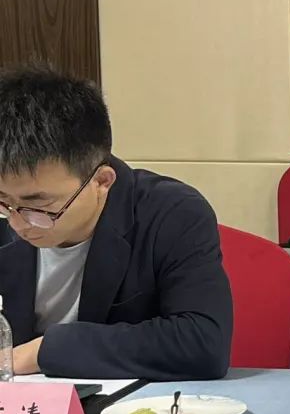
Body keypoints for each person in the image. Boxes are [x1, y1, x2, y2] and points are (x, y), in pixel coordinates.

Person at [0, 66, 232, 379]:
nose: (18, 223)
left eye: (39, 205)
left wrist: (42, 352)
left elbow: (202, 343)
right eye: (5, 201)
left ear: (102, 181)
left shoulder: (172, 214)